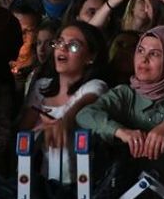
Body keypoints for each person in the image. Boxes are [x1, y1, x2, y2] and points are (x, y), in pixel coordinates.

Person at [77, 25, 164, 160]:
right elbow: (85, 115)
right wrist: (120, 131)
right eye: (140, 50)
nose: (144, 59)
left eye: (154, 54)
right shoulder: (125, 94)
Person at [18, 21, 109, 163]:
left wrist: (64, 122)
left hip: (79, 173)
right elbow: (23, 131)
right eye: (59, 42)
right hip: (37, 172)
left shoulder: (95, 86)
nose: (63, 48)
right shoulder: (41, 86)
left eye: (73, 45)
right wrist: (40, 130)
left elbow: (82, 105)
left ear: (91, 57)